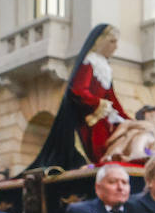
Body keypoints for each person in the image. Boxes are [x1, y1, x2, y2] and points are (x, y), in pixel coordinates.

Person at [27, 23, 128, 168]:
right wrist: (99, 104)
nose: (115, 47)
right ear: (100, 41)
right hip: (87, 120)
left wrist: (126, 119)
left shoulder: (105, 67)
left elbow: (111, 98)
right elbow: (78, 90)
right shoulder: (89, 62)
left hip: (103, 119)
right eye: (112, 41)